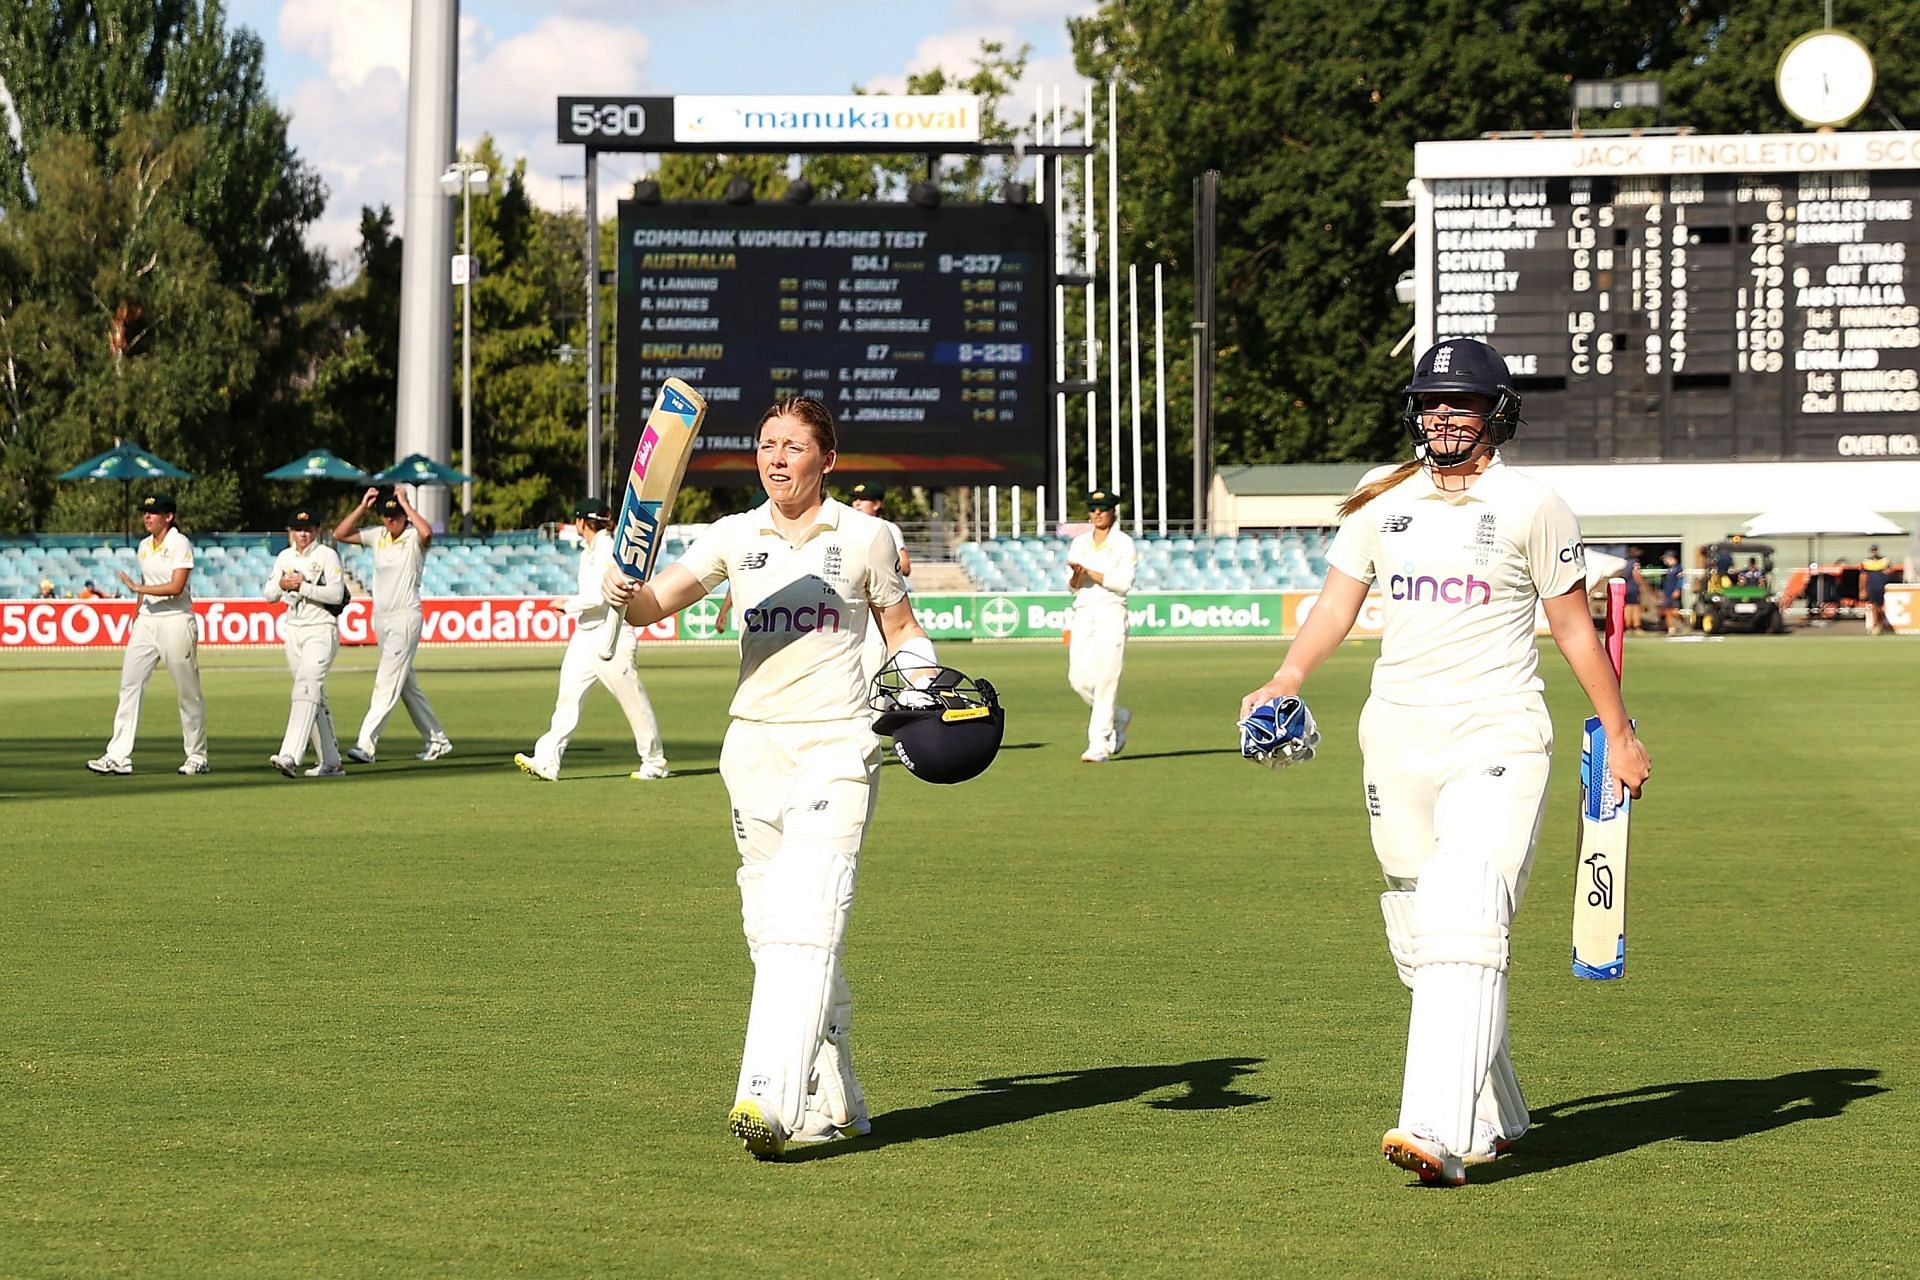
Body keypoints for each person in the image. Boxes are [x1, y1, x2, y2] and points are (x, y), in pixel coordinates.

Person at [1236, 339, 1650, 1187]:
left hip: (1498, 733)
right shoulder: (1380, 501)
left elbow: (1573, 627)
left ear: (1497, 412)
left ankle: (1435, 1126)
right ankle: (1497, 1112)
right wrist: (1284, 675)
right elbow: (1336, 606)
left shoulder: (1534, 506)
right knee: (1424, 932)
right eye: (1430, 402)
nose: (1442, 417)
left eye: (1460, 404)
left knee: (1466, 905)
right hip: (1396, 736)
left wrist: (1620, 733)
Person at [601, 395, 933, 1159]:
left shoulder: (867, 537)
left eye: (792, 445)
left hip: (839, 743)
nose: (776, 457)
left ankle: (769, 1098)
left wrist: (929, 684)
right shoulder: (732, 535)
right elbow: (656, 605)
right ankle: (838, 1094)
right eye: (766, 444)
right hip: (753, 749)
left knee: (809, 916)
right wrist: (626, 591)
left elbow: (901, 630)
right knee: (768, 928)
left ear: (827, 459)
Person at [513, 497, 670, 783]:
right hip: (585, 636)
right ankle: (548, 760)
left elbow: (605, 594)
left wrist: (568, 604)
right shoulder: (590, 550)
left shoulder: (609, 550)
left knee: (632, 702)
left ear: (581, 522)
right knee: (567, 700)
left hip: (611, 635)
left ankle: (655, 762)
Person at [87, 492, 210, 776]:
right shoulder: (144, 546)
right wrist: (136, 615)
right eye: (145, 512)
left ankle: (197, 756)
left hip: (176, 620)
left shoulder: (179, 543)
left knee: (187, 692)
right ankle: (118, 755)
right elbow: (145, 581)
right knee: (129, 685)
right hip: (147, 621)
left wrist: (138, 590)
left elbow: (176, 586)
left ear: (169, 517)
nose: (147, 517)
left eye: (154, 513)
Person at [333, 486, 453, 763]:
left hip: (405, 616)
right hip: (382, 617)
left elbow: (427, 533)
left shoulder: (413, 536)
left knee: (386, 682)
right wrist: (363, 506)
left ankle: (366, 744)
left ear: (403, 516)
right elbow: (339, 534)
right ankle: (437, 739)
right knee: (406, 685)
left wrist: (406, 504)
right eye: (387, 516)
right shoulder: (379, 535)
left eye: (395, 516)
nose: (390, 521)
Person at [265, 507, 349, 778]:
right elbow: (269, 595)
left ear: (317, 530)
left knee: (305, 687)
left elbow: (337, 595)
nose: (303, 534)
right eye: (299, 529)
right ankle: (331, 761)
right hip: (294, 631)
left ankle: (290, 754)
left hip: (321, 629)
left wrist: (303, 587)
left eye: (309, 529)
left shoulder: (326, 555)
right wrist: (283, 583)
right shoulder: (284, 557)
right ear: (291, 531)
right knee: (315, 697)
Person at [1066, 488, 1136, 762]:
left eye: (1103, 509)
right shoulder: (1080, 543)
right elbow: (1071, 586)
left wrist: (1090, 573)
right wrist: (1076, 576)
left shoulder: (1123, 544)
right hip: (1084, 611)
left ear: (1112, 511)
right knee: (1079, 680)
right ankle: (1119, 717)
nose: (1097, 514)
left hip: (1111, 611)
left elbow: (1122, 583)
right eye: (1093, 509)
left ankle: (1099, 743)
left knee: (1107, 680)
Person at [848, 481, 911, 689]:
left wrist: (874, 565)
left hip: (879, 604)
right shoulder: (846, 527)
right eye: (855, 499)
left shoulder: (888, 529)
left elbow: (905, 565)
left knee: (874, 667)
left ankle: (876, 718)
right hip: (852, 604)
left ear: (876, 504)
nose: (856, 503)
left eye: (863, 500)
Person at [1862, 544, 1891, 635]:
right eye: (1873, 550)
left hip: (1881, 586)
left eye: (1875, 550)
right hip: (1871, 586)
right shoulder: (1866, 562)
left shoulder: (1884, 561)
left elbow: (1889, 570)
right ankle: (1876, 625)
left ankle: (1880, 624)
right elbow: (1863, 576)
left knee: (1880, 607)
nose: (1874, 552)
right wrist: (1862, 589)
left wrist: (1887, 571)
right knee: (1874, 606)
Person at [1622, 546, 1649, 632]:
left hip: (1627, 587)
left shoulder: (1626, 563)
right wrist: (1642, 584)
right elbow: (1636, 574)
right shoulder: (1635, 562)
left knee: (1628, 606)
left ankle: (1628, 625)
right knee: (1635, 607)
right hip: (1633, 587)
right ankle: (1637, 625)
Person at [1659, 550, 1685, 634]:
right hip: (1667, 593)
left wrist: (1678, 589)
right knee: (1667, 611)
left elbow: (1680, 579)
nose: (1665, 560)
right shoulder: (1669, 569)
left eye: (1666, 558)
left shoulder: (1678, 568)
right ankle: (1671, 629)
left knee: (1675, 611)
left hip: (1673, 592)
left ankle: (1684, 624)